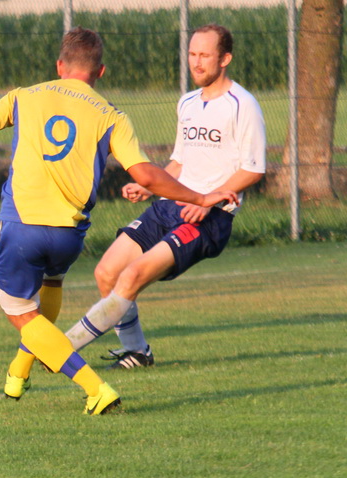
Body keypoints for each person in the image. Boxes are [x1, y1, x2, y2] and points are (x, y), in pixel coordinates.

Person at [0, 27, 238, 414]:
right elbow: (146, 174)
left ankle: (96, 388)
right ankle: (18, 373)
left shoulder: (23, 96)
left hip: (21, 226)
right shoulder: (111, 116)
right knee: (50, 282)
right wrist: (201, 197)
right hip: (68, 235)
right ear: (100, 72)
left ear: (59, 66)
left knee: (20, 313)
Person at [65, 23, 266, 368]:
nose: (196, 62)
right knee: (107, 273)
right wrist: (149, 186)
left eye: (205, 55)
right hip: (168, 207)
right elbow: (180, 162)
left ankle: (63, 347)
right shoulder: (187, 103)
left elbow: (254, 168)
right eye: (192, 54)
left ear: (225, 59)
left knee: (132, 276)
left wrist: (209, 201)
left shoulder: (242, 104)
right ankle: (137, 352)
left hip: (208, 217)